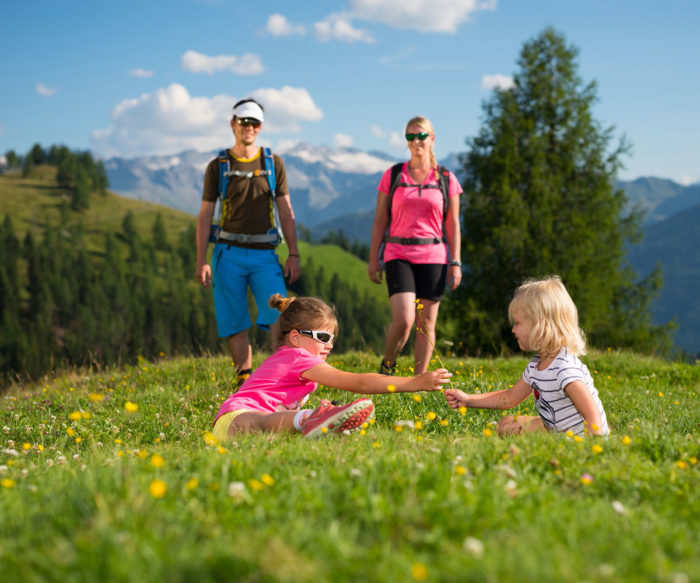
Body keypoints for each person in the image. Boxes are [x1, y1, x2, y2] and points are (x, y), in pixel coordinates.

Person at [212, 293, 452, 440]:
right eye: (323, 338)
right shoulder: (297, 357)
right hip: (238, 419)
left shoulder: (287, 357)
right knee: (263, 422)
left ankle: (317, 420)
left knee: (271, 429)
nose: (329, 346)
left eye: (332, 339)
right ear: (295, 337)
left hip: (239, 427)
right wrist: (415, 383)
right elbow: (358, 382)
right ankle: (311, 418)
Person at [196, 98, 301, 386]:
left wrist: (294, 254)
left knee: (280, 315)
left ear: (261, 126)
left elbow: (286, 212)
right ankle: (245, 382)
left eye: (254, 123)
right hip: (226, 254)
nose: (249, 128)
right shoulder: (218, 166)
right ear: (233, 124)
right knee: (235, 319)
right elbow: (205, 216)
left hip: (265, 254)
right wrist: (201, 259)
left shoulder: (273, 163)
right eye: (244, 122)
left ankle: (280, 379)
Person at [444, 276, 609, 437]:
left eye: (517, 323)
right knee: (505, 425)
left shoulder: (564, 369)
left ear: (540, 325)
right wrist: (467, 400)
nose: (513, 330)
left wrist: (588, 452)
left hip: (581, 437)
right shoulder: (536, 365)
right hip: (557, 429)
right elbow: (509, 397)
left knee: (511, 428)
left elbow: (592, 415)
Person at [368, 116, 462, 376]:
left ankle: (419, 380)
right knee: (404, 320)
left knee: (426, 324)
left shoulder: (446, 178)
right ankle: (388, 366)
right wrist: (373, 258)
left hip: (434, 255)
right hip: (398, 253)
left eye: (421, 136)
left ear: (432, 139)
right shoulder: (394, 174)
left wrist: (456, 262)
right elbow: (379, 219)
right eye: (410, 136)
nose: (416, 141)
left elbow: (453, 224)